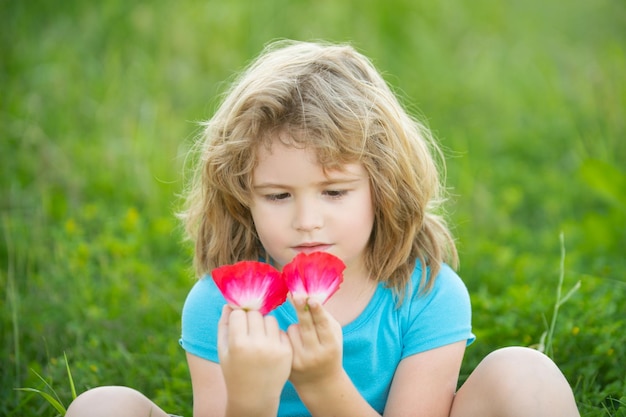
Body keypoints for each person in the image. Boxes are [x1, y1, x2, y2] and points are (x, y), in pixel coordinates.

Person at [66, 40, 580, 417]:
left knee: (525, 373)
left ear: (384, 185)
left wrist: (323, 383)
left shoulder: (426, 294)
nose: (307, 220)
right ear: (243, 198)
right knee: (101, 406)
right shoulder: (223, 309)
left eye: (334, 192)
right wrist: (251, 399)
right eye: (277, 196)